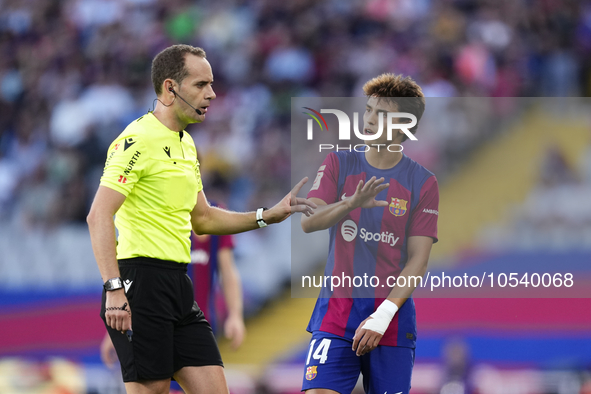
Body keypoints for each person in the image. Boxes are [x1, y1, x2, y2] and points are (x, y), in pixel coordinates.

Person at [87, 44, 316, 394]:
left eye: (212, 84)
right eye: (201, 84)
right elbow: (98, 216)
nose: (211, 93)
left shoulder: (187, 145)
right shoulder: (136, 140)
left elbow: (204, 219)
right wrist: (114, 289)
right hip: (140, 282)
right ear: (170, 87)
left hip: (179, 285)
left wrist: (266, 216)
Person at [300, 74, 439, 394]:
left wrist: (383, 316)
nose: (370, 119)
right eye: (369, 110)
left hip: (391, 324)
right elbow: (310, 222)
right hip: (335, 319)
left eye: (383, 114)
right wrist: (350, 203)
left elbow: (418, 260)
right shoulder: (340, 161)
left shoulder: (423, 182)